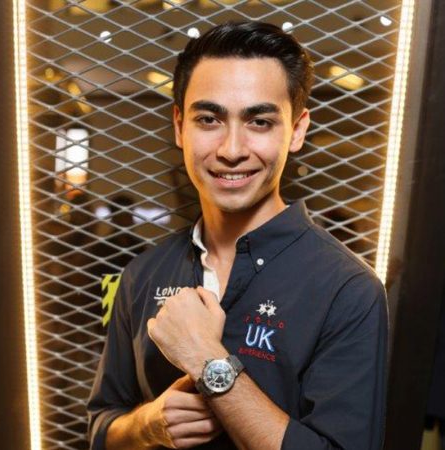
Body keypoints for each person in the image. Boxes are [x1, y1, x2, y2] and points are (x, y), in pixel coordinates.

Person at [87, 21, 388, 450]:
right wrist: (147, 425)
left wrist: (207, 359)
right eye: (209, 119)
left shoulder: (348, 290)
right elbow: (102, 427)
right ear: (179, 126)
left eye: (259, 121)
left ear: (297, 130)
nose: (231, 150)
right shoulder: (142, 274)